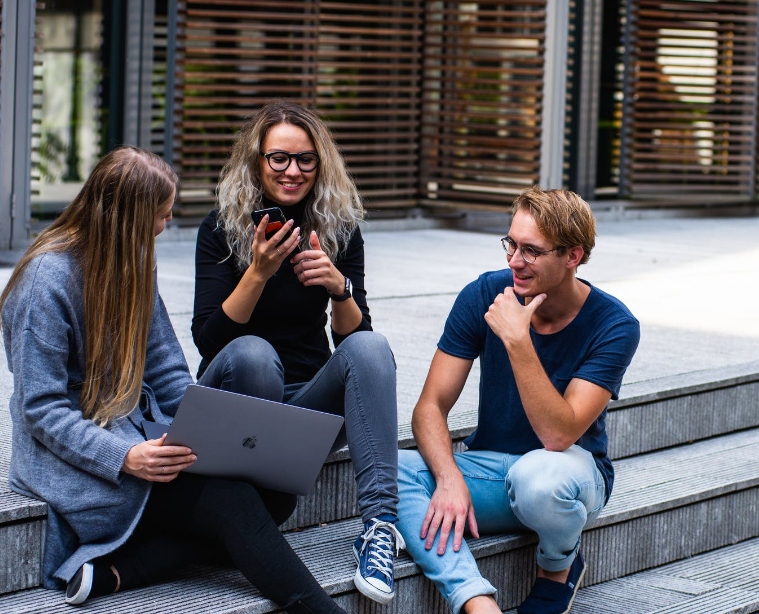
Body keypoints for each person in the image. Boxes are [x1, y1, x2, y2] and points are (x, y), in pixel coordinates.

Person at [0, 147, 349, 613]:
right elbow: (40, 410)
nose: (165, 226)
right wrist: (124, 456)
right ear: (127, 218)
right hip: (76, 460)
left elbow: (166, 370)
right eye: (160, 216)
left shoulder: (135, 261)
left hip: (141, 438)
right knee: (232, 503)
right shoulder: (46, 281)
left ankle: (123, 570)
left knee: (277, 497)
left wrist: (197, 429)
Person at [192, 100, 402, 605]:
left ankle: (378, 529)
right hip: (238, 398)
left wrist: (339, 288)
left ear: (321, 162)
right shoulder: (220, 229)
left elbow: (355, 344)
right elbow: (209, 340)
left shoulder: (339, 228)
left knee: (372, 348)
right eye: (278, 158)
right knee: (254, 355)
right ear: (256, 161)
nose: (292, 171)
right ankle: (248, 509)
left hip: (305, 409)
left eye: (305, 159)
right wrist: (258, 272)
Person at [395, 187, 641, 614]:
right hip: (491, 467)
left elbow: (558, 434)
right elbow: (430, 406)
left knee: (538, 478)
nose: (513, 261)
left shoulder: (614, 324)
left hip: (568, 476)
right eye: (511, 244)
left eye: (531, 251)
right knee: (390, 469)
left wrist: (517, 339)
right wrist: (450, 478)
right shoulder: (485, 293)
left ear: (573, 256)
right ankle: (474, 599)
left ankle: (556, 570)